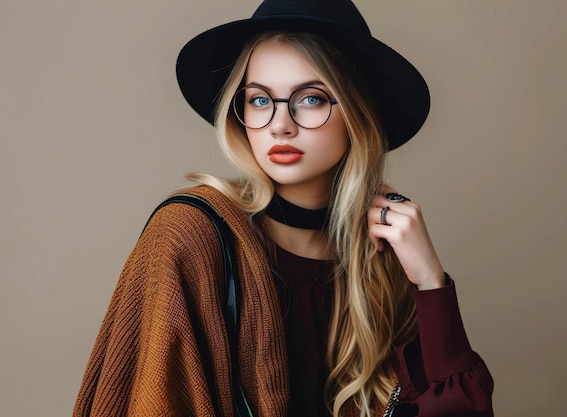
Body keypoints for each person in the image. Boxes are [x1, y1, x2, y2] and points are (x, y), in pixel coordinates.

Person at [73, 0, 494, 416]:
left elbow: (459, 409)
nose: (280, 124)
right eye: (259, 100)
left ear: (357, 111)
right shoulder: (190, 234)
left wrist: (429, 282)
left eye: (310, 99)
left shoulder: (379, 256)